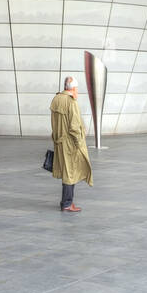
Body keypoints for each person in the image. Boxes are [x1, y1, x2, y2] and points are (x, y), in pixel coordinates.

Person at [50, 76, 93, 212]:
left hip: (59, 142)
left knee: (67, 171)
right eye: (77, 89)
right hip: (70, 143)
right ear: (73, 88)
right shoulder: (71, 102)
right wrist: (79, 143)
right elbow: (74, 127)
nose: (77, 92)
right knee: (71, 172)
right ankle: (67, 204)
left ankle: (67, 202)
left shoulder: (56, 99)